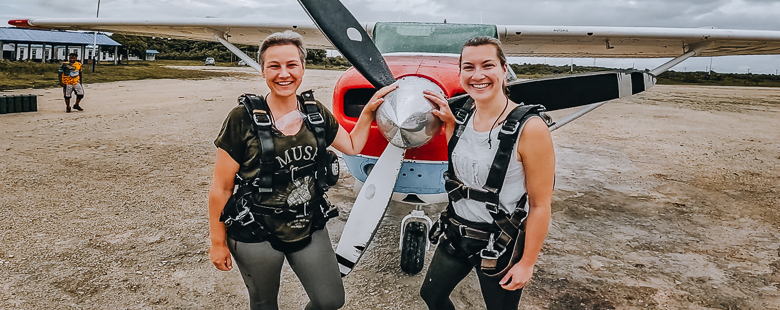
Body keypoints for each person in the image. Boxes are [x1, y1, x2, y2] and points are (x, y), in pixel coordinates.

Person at [208, 31, 395, 310]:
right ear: (263, 71)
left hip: (306, 221)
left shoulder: (315, 112)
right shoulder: (242, 118)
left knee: (330, 299)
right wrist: (217, 242)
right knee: (263, 303)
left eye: (291, 65)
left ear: (303, 68)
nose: (284, 73)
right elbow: (221, 187)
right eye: (274, 66)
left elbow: (353, 145)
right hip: (255, 228)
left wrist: (367, 112)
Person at [420, 36, 556, 310]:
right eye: (468, 67)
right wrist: (447, 122)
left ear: (504, 70)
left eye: (487, 65)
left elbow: (540, 205)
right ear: (460, 73)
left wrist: (527, 263)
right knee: (432, 296)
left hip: (500, 241)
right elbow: (464, 154)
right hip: (457, 232)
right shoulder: (464, 116)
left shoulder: (530, 128)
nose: (477, 75)